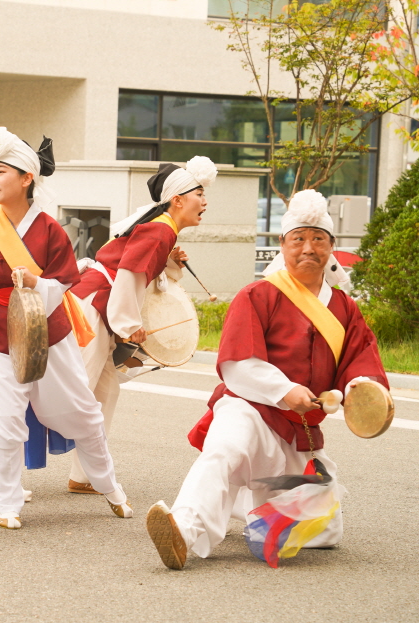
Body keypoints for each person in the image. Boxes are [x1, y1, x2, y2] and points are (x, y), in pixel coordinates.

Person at [145, 189, 388, 570]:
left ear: (331, 247)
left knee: (325, 533)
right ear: (283, 243)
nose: (309, 248)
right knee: (225, 450)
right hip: (249, 409)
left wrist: (353, 392)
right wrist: (284, 390)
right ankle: (182, 531)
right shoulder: (258, 294)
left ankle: (243, 507)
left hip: (300, 430)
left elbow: (361, 365)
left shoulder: (344, 307)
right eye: (299, 239)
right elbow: (239, 364)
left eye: (318, 239)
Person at [0, 126, 133, 529]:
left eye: (2, 171)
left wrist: (37, 282)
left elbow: (62, 283)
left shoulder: (51, 229)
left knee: (81, 414)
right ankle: (7, 503)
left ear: (27, 178)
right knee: (3, 420)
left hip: (49, 330)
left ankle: (111, 487)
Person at [66, 157, 218, 494]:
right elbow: (129, 276)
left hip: (97, 307)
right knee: (74, 391)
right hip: (93, 309)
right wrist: (128, 325)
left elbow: (139, 270)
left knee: (102, 392)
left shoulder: (163, 229)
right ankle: (6, 459)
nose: (205, 202)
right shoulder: (161, 229)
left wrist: (169, 261)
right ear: (178, 199)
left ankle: (85, 475)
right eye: (199, 194)